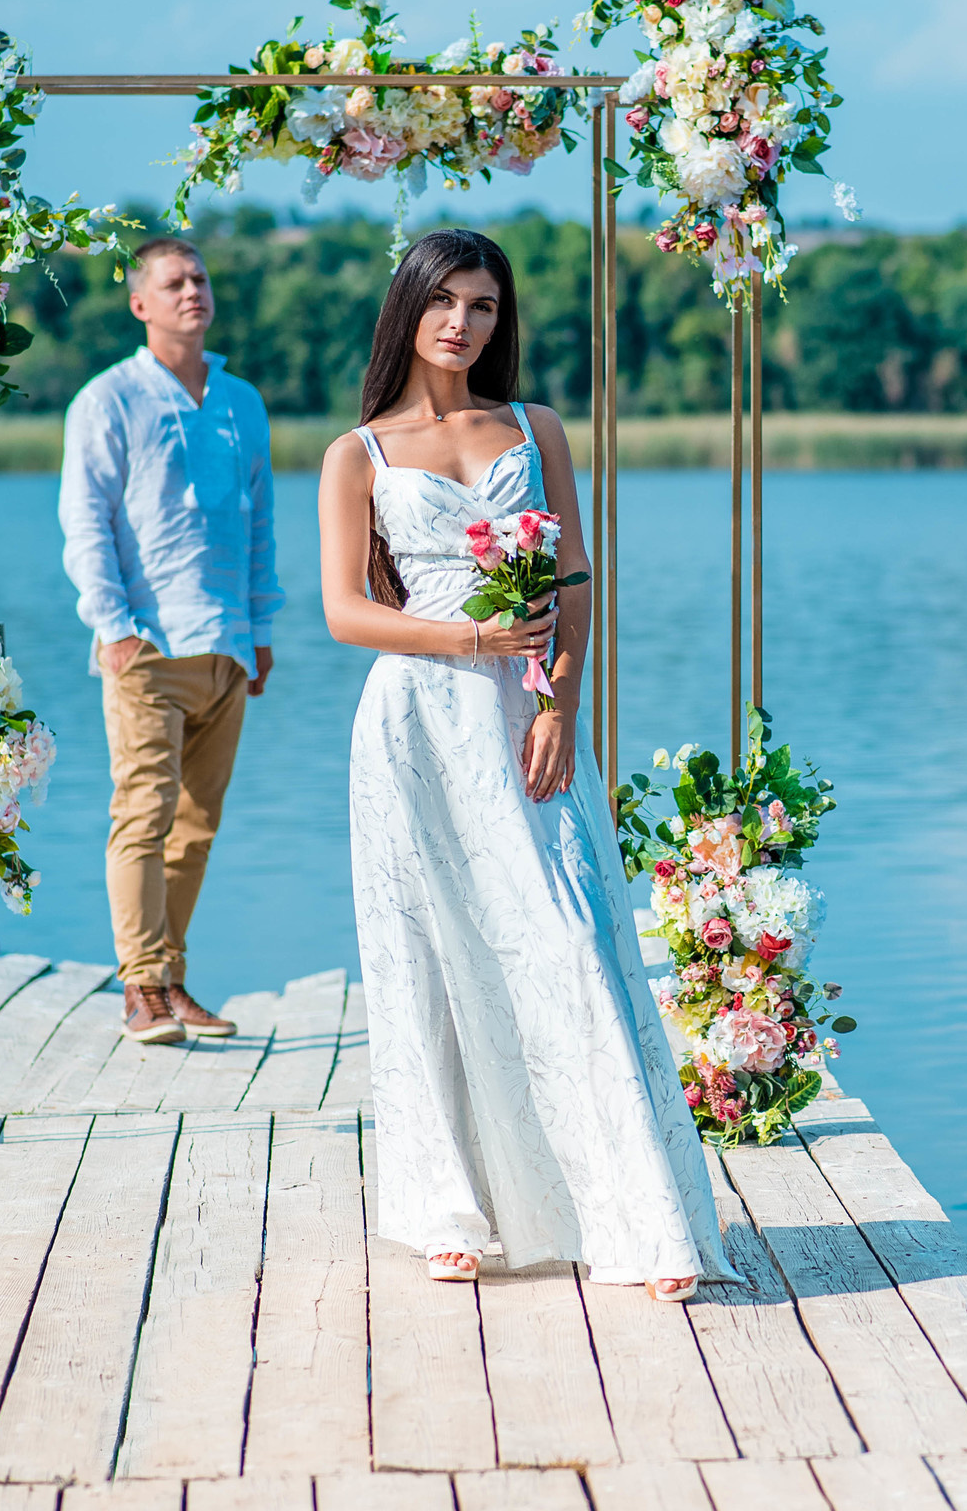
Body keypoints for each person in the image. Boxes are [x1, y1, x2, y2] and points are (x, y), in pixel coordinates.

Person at [319, 228, 725, 1303]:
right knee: (431, 953)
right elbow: (344, 611)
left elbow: (575, 574)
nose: (462, 323)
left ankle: (643, 1221)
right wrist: (467, 641)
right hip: (416, 722)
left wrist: (560, 704)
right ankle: (448, 1212)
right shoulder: (357, 453)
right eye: (444, 300)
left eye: (484, 305)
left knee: (574, 937)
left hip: (528, 718)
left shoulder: (535, 427)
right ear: (407, 308)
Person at [60, 236, 280, 1046]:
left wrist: (259, 625)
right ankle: (140, 990)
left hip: (225, 643)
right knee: (142, 816)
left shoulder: (240, 401)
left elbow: (259, 522)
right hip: (146, 646)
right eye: (174, 282)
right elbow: (85, 522)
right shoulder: (109, 400)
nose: (194, 291)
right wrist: (112, 627)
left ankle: (173, 980)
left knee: (197, 825)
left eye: (201, 279)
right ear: (139, 304)